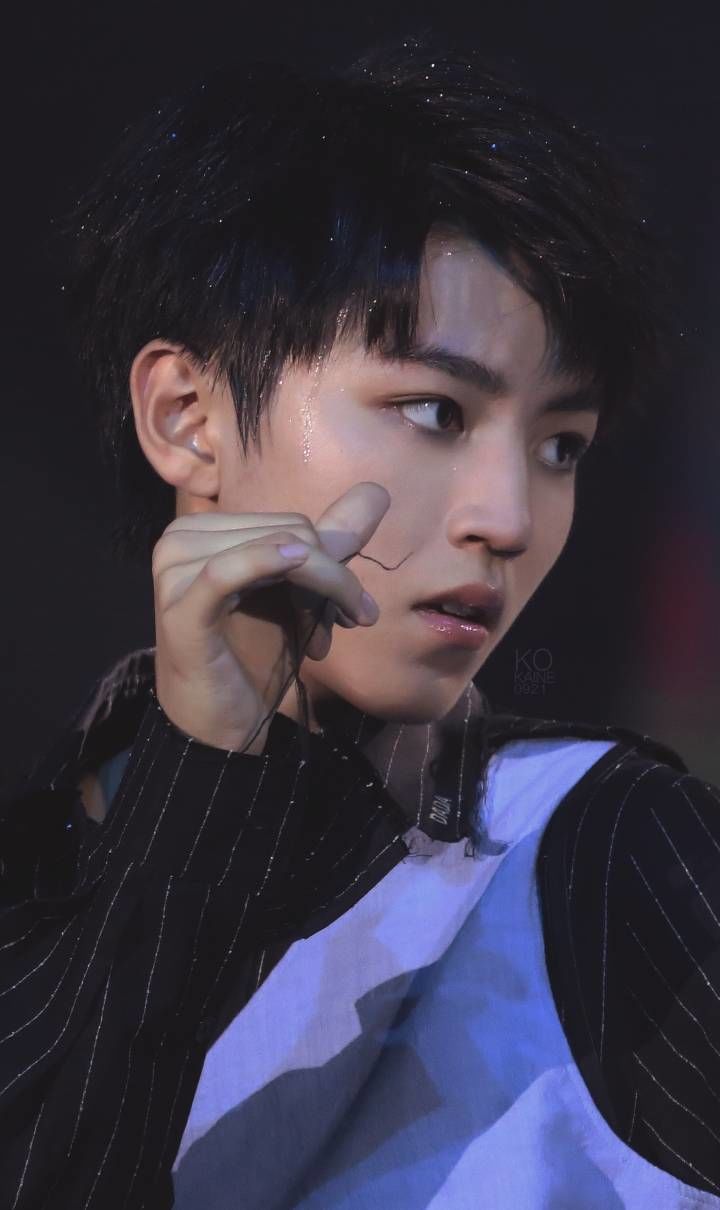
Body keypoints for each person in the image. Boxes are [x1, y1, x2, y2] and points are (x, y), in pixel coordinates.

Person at [1, 35, 719, 1210]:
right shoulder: (36, 875)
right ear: (186, 417)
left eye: (561, 446)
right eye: (435, 411)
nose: (508, 517)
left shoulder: (605, 854)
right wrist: (202, 777)